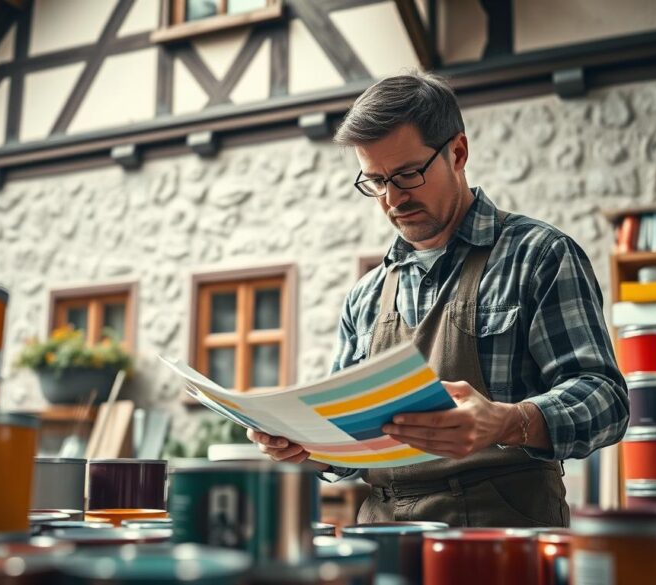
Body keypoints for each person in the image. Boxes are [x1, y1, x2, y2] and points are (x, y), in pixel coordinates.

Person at [248, 73, 628, 527]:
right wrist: (306, 446)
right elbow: (348, 446)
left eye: (408, 175)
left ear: (458, 153)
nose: (393, 198)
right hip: (383, 534)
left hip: (502, 536)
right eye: (376, 182)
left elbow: (606, 400)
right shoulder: (365, 296)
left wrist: (509, 421)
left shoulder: (538, 256)